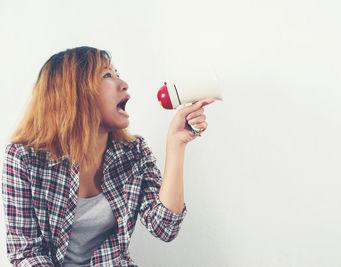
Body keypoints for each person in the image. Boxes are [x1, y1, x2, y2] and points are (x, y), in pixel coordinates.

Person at [2, 46, 215, 266]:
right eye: (107, 75)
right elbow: (26, 252)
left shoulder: (134, 151)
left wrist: (176, 143)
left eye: (117, 73)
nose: (123, 83)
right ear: (74, 92)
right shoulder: (22, 159)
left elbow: (165, 228)